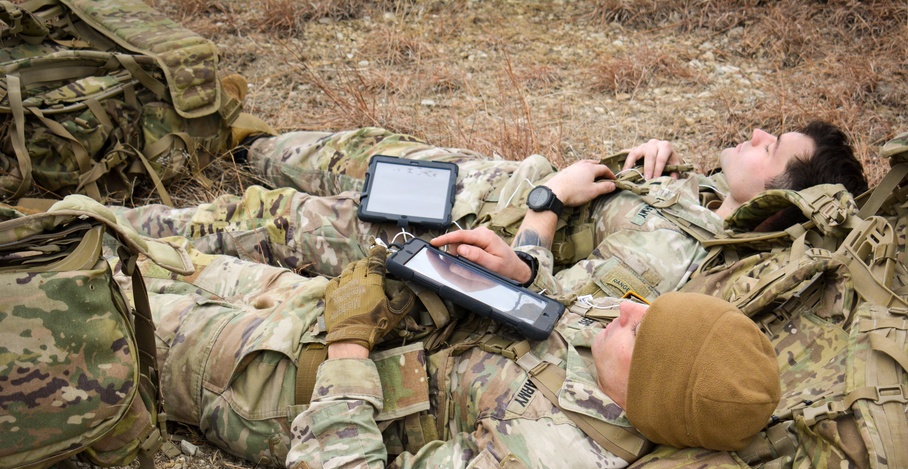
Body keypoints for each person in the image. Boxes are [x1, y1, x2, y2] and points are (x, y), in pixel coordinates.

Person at [125, 227, 781, 469]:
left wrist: (351, 343)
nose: (628, 312)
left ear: (648, 394)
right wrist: (521, 269)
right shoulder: (619, 339)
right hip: (339, 313)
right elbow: (560, 309)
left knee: (99, 306)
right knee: (141, 249)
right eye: (647, 307)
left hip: (266, 380)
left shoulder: (552, 464)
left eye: (642, 333)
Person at [111, 122, 866, 303]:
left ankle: (86, 228)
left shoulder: (676, 264)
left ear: (776, 196)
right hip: (470, 176)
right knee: (327, 147)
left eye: (773, 147)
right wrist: (657, 153)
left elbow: (536, 287)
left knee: (267, 217)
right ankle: (224, 135)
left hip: (454, 223)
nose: (757, 134)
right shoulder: (704, 197)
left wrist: (547, 204)